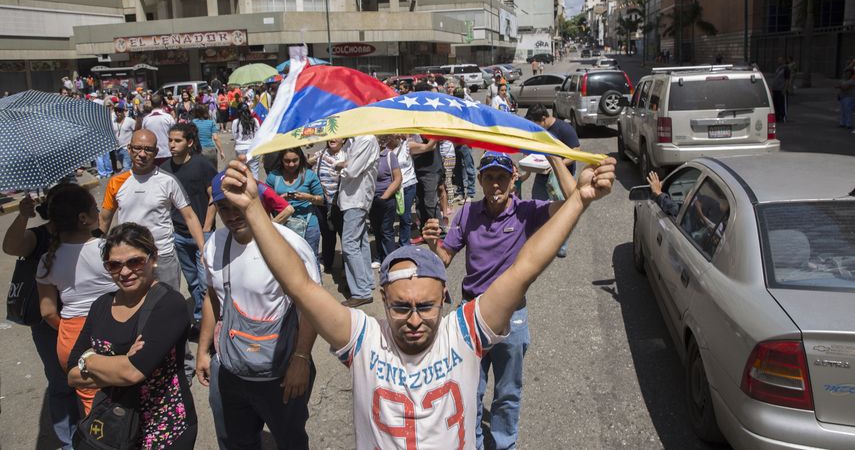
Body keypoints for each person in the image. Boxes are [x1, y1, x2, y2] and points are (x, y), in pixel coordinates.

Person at [214, 153, 614, 449]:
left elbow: (524, 268)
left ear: (444, 296)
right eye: (400, 306)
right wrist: (252, 208)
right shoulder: (364, 337)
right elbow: (300, 286)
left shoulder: (465, 330)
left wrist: (579, 200)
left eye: (426, 306)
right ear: (383, 298)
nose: (414, 319)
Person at [421, 151, 583, 450]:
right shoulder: (467, 213)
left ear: (513, 180)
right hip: (471, 314)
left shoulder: (527, 212)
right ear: (480, 180)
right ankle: (473, 443)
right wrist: (433, 244)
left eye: (502, 178)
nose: (495, 185)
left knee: (508, 393)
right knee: (469, 390)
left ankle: (504, 445)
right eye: (489, 178)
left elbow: (576, 200)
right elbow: (444, 258)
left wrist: (553, 155)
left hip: (512, 316)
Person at [196, 172, 320, 450]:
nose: (231, 214)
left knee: (290, 440)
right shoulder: (215, 244)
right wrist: (204, 351)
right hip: (230, 370)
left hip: (280, 372)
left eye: (237, 204)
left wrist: (301, 359)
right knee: (235, 440)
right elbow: (213, 297)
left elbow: (311, 306)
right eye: (223, 207)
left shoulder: (290, 245)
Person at [67, 223, 198, 449]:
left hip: (163, 430)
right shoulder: (100, 306)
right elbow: (71, 375)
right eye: (114, 265)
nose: (125, 272)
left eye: (135, 262)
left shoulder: (168, 303)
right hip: (114, 428)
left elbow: (131, 373)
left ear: (153, 258)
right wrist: (118, 361)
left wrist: (89, 360)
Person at [3, 190, 79, 449]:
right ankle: (69, 441)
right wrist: (23, 216)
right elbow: (11, 246)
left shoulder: (88, 236)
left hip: (82, 321)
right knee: (61, 384)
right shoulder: (40, 237)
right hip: (51, 328)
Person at [35, 184, 117, 414]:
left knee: (94, 410)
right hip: (113, 328)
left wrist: (74, 333)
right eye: (94, 208)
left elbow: (48, 312)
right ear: (83, 218)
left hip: (71, 338)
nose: (99, 212)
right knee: (126, 400)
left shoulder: (46, 260)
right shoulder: (108, 249)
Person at [99, 129, 207, 291]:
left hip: (162, 256)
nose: (142, 154)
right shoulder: (116, 182)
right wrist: (99, 250)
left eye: (148, 150)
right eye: (137, 148)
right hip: (129, 258)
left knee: (167, 304)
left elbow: (190, 216)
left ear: (156, 152)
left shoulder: (168, 181)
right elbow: (105, 219)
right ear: (129, 149)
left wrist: (202, 249)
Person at [160, 123, 217, 331]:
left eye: (178, 140)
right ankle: (202, 320)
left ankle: (208, 322)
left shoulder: (203, 165)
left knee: (205, 283)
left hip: (203, 233)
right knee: (192, 281)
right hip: (179, 235)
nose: (172, 145)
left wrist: (206, 228)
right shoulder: (164, 169)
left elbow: (214, 197)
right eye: (170, 140)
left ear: (190, 142)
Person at [526, 104, 581, 258]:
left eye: (535, 124)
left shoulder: (564, 129)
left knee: (561, 210)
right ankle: (538, 242)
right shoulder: (539, 130)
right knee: (537, 206)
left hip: (562, 177)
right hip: (542, 174)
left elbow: (576, 151)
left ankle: (560, 245)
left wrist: (559, 165)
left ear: (543, 119)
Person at [336, 135, 380, 306]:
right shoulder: (354, 140)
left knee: (350, 244)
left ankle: (361, 291)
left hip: (356, 199)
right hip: (352, 198)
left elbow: (352, 170)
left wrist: (339, 166)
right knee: (360, 242)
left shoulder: (366, 139)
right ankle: (366, 283)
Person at [266, 148, 325, 264]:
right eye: (287, 161)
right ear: (281, 160)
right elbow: (265, 201)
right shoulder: (274, 176)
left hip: (309, 225)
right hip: (283, 226)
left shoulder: (309, 175)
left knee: (311, 261)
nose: (291, 164)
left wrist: (307, 197)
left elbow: (321, 200)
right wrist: (280, 199)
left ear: (301, 159)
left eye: (295, 160)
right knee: (286, 262)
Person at [312, 138, 347, 273]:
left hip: (340, 202)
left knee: (344, 234)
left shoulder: (347, 154)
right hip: (322, 201)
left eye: (337, 136)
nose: (332, 139)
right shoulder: (321, 154)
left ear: (343, 139)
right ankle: (328, 263)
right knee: (326, 234)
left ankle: (347, 266)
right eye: (331, 137)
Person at [369, 136, 402, 270]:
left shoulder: (389, 156)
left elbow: (398, 178)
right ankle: (379, 256)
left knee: (386, 230)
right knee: (376, 229)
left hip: (386, 199)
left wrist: (385, 196)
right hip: (371, 199)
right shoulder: (368, 156)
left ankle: (391, 260)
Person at [389, 135, 418, 247]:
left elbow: (427, 147)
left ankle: (404, 244)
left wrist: (435, 139)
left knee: (405, 217)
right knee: (389, 219)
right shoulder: (383, 148)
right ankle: (389, 246)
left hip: (408, 185)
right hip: (391, 187)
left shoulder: (407, 145)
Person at [141, 93, 176, 166]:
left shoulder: (146, 119)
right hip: (167, 152)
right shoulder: (168, 117)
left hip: (152, 153)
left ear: (151, 104)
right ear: (162, 103)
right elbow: (175, 133)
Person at [231, 103, 261, 179]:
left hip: (240, 148)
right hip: (253, 148)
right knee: (254, 171)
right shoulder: (255, 120)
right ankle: (255, 188)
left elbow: (235, 136)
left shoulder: (235, 122)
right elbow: (259, 134)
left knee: (242, 171)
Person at [193, 103, 225, 169]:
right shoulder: (211, 122)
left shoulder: (193, 122)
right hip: (210, 150)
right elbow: (215, 138)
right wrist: (221, 151)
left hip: (198, 150)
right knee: (213, 171)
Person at [113, 102, 136, 172]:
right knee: (126, 166)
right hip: (117, 149)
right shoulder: (113, 121)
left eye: (119, 110)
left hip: (127, 148)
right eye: (116, 111)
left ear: (124, 111)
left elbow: (136, 132)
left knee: (126, 168)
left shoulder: (130, 121)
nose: (117, 112)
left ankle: (123, 181)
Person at [835, 64, 855, 131]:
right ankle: (842, 123)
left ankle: (848, 124)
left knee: (848, 111)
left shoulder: (852, 81)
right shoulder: (843, 80)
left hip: (849, 97)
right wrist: (839, 94)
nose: (847, 74)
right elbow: (839, 87)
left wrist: (839, 86)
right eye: (847, 73)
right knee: (842, 111)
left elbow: (844, 87)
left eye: (849, 73)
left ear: (851, 75)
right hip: (843, 97)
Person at [771, 56, 790, 122]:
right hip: (775, 89)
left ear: (783, 61)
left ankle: (783, 116)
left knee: (781, 104)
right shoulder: (778, 68)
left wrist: (785, 89)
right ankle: (777, 116)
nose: (779, 61)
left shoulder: (786, 69)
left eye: (780, 60)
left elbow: (787, 80)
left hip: (781, 89)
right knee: (775, 104)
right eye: (778, 60)